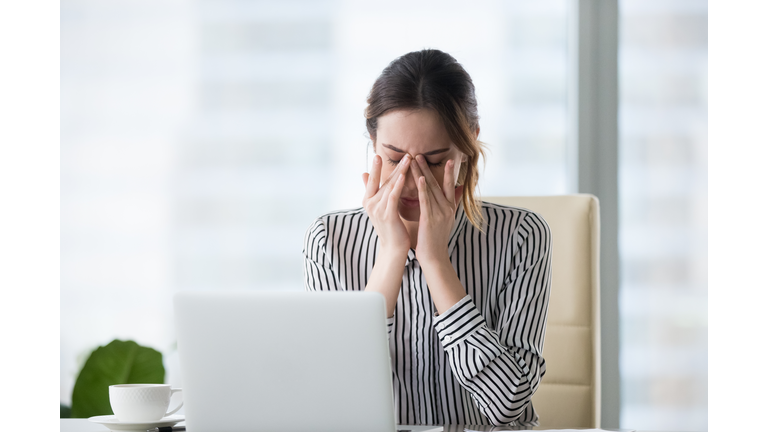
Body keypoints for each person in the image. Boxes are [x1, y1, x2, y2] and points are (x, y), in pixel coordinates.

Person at [302, 49, 552, 427]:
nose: (410, 180)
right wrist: (391, 254)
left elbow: (508, 407)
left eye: (433, 162)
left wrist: (435, 262)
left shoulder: (521, 237)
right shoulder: (330, 240)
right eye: (393, 158)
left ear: (467, 149)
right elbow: (334, 398)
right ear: (373, 145)